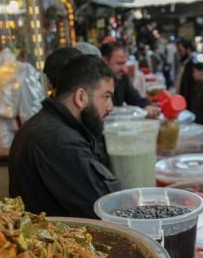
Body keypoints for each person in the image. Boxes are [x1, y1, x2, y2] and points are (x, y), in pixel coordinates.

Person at [8, 54, 121, 218]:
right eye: (106, 96)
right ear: (81, 97)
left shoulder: (48, 125)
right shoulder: (59, 142)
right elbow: (107, 209)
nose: (110, 107)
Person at [100, 41, 159, 118]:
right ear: (105, 60)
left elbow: (135, 98)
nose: (124, 68)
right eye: (119, 63)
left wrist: (147, 105)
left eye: (124, 63)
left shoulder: (123, 78)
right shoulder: (96, 82)